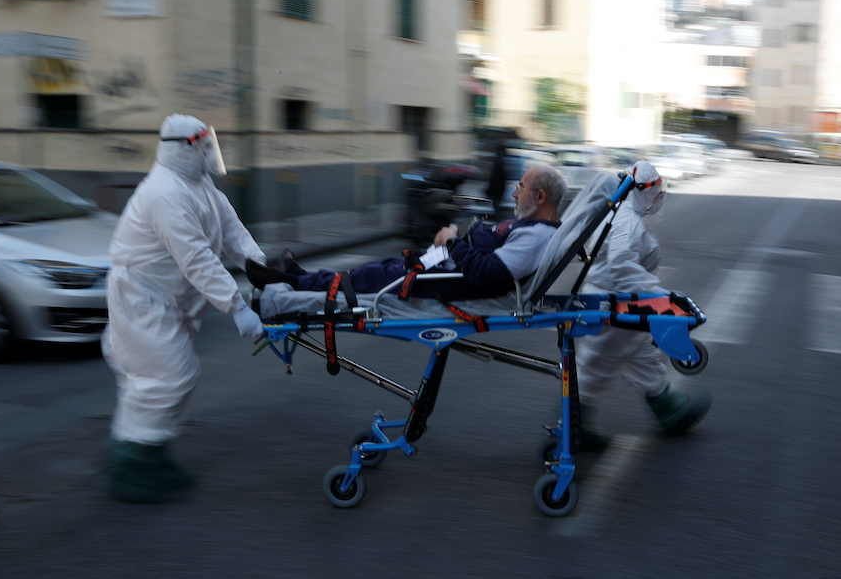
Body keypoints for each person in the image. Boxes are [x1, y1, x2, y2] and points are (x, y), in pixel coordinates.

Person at [102, 114, 267, 504]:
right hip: (140, 297)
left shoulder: (199, 183)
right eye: (206, 146)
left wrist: (261, 267)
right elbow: (195, 258)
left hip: (164, 298)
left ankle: (142, 455)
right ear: (187, 147)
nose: (212, 152)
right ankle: (133, 465)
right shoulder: (165, 192)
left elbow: (231, 230)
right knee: (168, 376)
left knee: (150, 380)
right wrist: (237, 306)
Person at [246, 164, 567, 302]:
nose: (514, 194)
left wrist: (451, 241)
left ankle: (286, 281)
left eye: (520, 188)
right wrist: (456, 233)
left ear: (540, 197)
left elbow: (487, 272)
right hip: (443, 266)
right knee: (372, 270)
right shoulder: (531, 226)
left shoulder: (538, 235)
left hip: (448, 279)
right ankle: (299, 277)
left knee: (368, 277)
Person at [574, 160, 711, 450]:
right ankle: (574, 429)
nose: (660, 197)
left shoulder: (624, 214)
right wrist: (656, 293)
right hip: (612, 304)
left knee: (641, 355)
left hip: (622, 302)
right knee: (593, 368)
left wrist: (651, 295)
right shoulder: (627, 222)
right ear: (643, 192)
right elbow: (621, 265)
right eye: (657, 192)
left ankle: (671, 411)